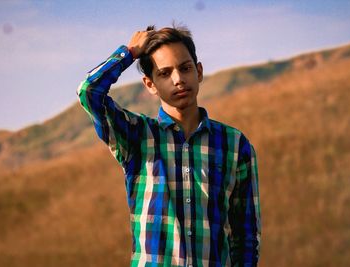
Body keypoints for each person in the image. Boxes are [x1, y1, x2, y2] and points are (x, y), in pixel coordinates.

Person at [77, 25, 261, 267]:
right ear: (150, 84)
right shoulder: (136, 137)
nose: (178, 79)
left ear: (199, 71)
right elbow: (89, 91)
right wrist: (129, 53)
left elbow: (246, 237)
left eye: (185, 68)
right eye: (164, 73)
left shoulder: (234, 144)